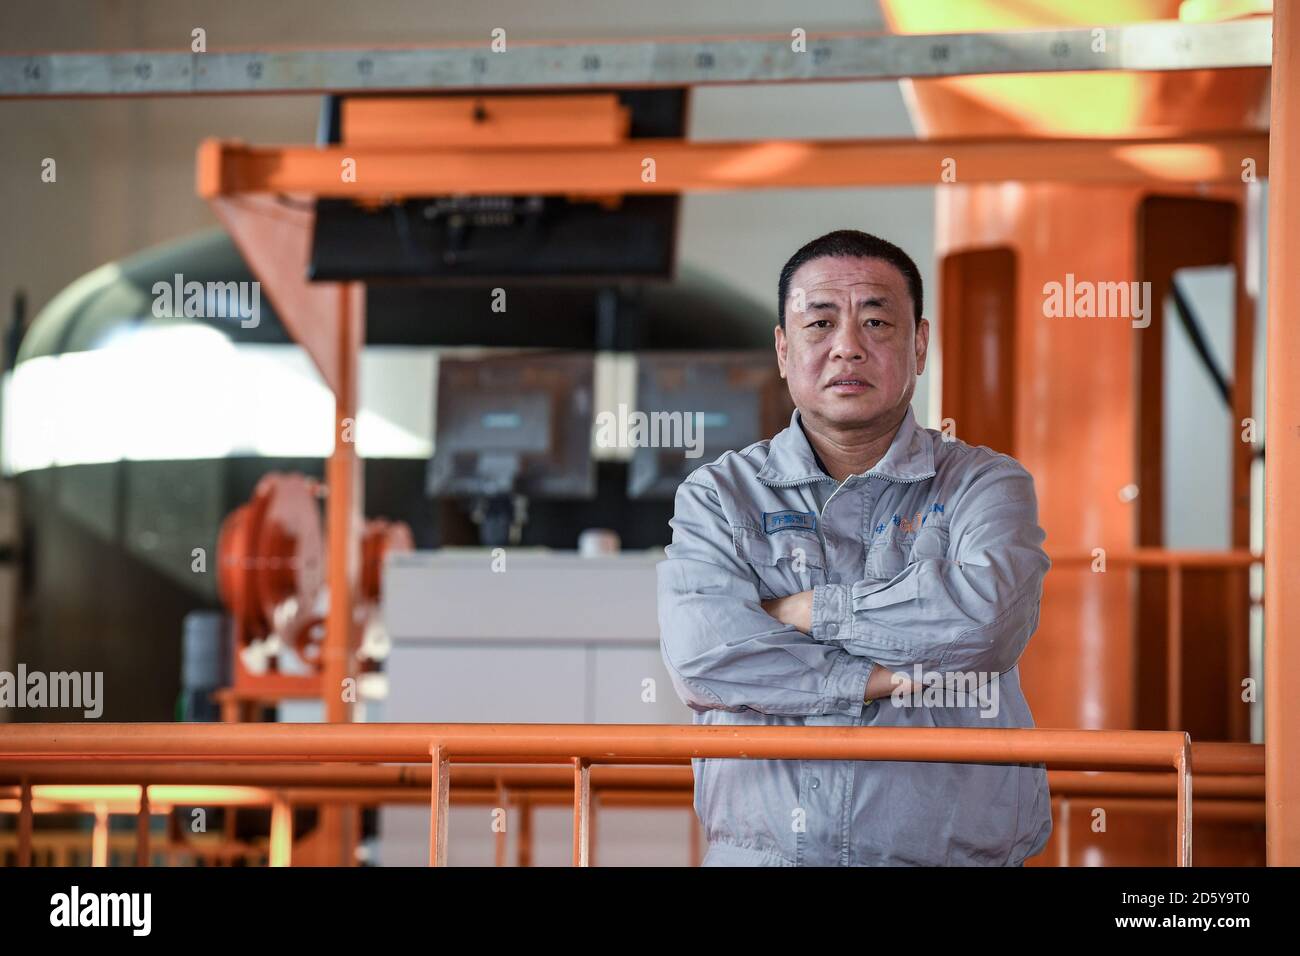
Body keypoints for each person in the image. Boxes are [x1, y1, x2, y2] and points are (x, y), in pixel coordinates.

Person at [657, 229, 1053, 866]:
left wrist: (811, 610)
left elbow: (988, 623)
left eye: (876, 321)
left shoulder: (986, 483)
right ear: (783, 350)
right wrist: (886, 677)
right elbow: (706, 658)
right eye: (819, 324)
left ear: (919, 344)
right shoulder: (719, 495)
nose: (847, 347)